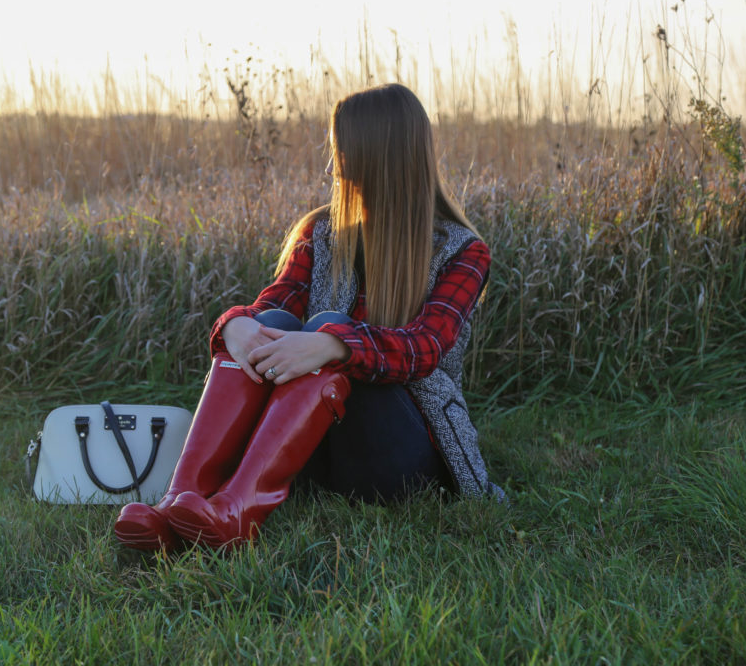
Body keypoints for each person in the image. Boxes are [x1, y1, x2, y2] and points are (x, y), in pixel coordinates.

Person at [114, 83, 504, 551]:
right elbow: (271, 307)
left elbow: (424, 349)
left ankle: (239, 510)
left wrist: (335, 343)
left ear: (378, 153)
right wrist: (235, 324)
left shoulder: (462, 251)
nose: (333, 162)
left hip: (398, 453)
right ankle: (182, 500)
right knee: (273, 323)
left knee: (324, 325)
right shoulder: (320, 232)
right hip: (311, 446)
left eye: (342, 148)